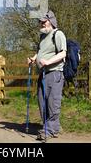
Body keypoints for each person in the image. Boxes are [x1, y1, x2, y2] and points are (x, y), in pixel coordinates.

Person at [28, 10, 67, 140]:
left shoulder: (58, 34)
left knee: (53, 103)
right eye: (40, 22)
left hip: (55, 73)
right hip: (43, 74)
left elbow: (63, 53)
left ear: (50, 21)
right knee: (42, 102)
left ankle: (49, 130)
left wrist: (48, 62)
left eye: (43, 22)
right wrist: (34, 59)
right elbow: (40, 51)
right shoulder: (43, 36)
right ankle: (54, 127)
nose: (41, 24)